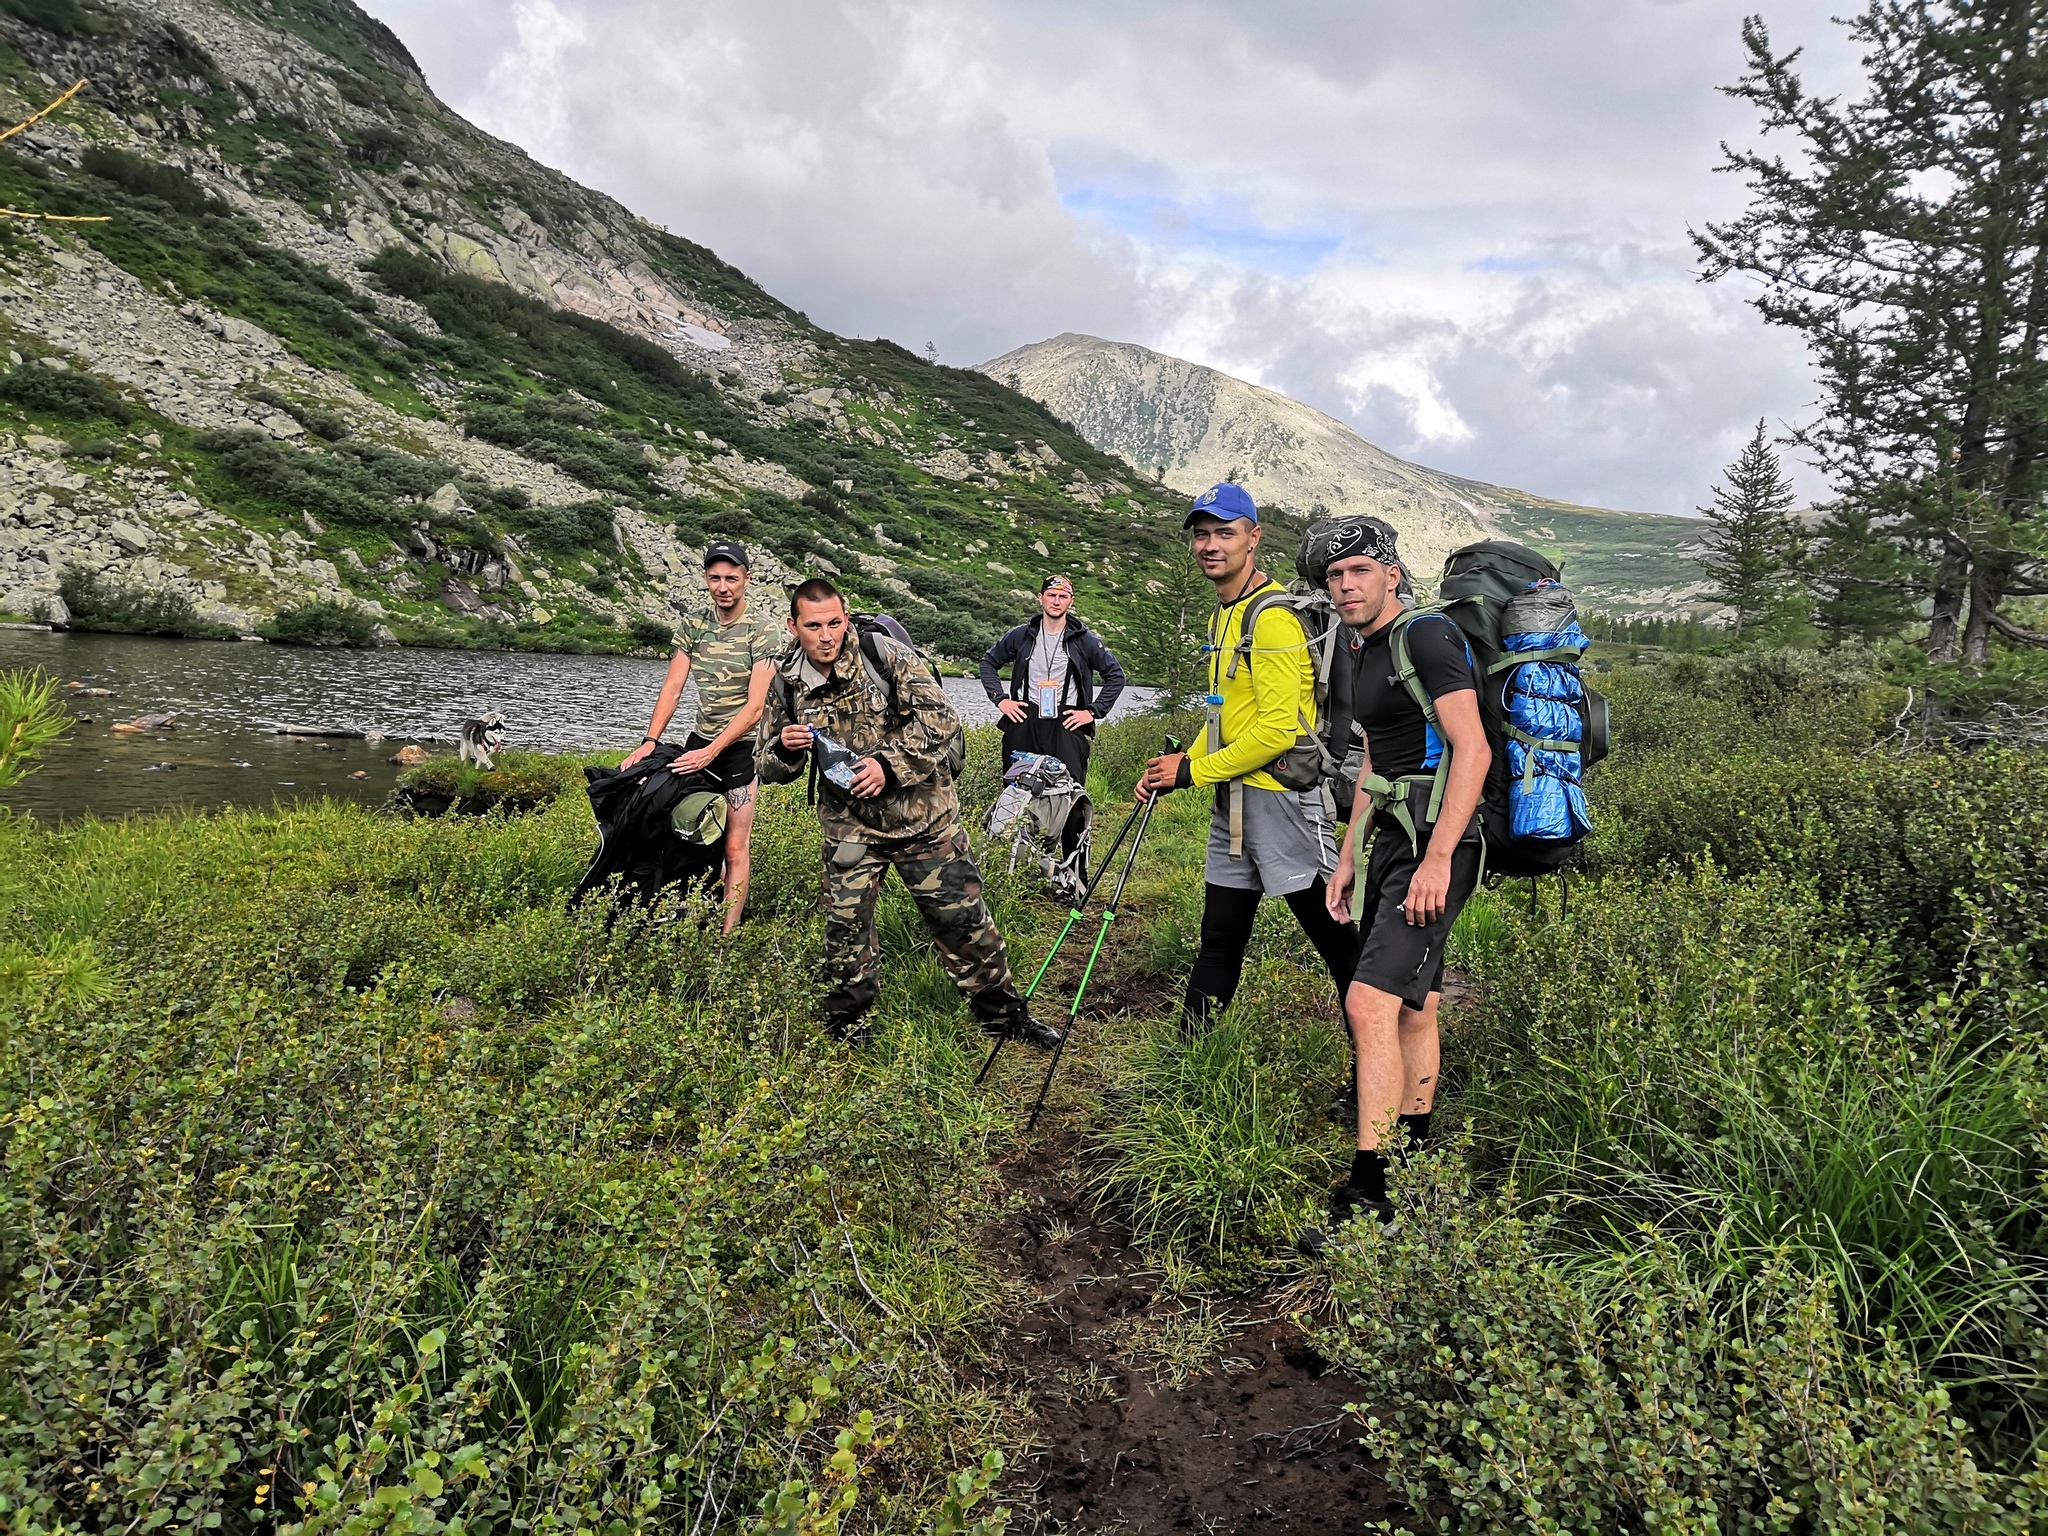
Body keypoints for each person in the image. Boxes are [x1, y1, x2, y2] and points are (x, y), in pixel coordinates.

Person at [760, 577, 1062, 1050]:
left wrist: (887, 766)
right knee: (844, 937)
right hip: (850, 828)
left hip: (924, 819)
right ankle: (848, 1030)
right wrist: (786, 748)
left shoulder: (885, 655)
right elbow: (766, 764)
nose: (826, 636)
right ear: (793, 625)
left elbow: (942, 721)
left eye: (834, 623)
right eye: (813, 626)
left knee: (963, 924)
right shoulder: (786, 678)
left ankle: (1003, 1018)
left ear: (845, 617)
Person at [1311, 518, 1491, 1240]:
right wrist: (1349, 855)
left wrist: (1441, 859)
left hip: (1435, 841)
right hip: (1389, 837)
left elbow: (1471, 751)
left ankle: (1370, 1197)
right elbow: (1376, 762)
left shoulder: (1425, 637)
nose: (1347, 585)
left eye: (1359, 570)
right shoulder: (1362, 651)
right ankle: (1415, 1150)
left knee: (1367, 1004)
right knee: (1415, 1006)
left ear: (1391, 573)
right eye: (1334, 576)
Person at [1135, 483, 1360, 1035]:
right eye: (1203, 535)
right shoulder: (1224, 616)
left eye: (1225, 533)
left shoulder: (1272, 619)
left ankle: (1378, 1074)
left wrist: (1193, 771)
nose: (1211, 545)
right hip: (1233, 800)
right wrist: (1179, 764)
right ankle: (1186, 1062)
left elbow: (1279, 730)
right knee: (1220, 938)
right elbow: (1225, 716)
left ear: (1253, 538)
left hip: (1285, 804)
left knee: (1337, 946)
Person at [620, 541, 783, 934]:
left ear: (747, 578)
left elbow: (755, 707)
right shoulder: (693, 624)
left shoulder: (763, 630)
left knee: (734, 846)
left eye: (731, 578)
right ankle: (688, 918)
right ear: (706, 579)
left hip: (742, 749)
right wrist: (650, 741)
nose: (723, 586)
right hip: (700, 741)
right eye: (715, 578)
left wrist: (712, 752)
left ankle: (726, 937)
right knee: (688, 834)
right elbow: (673, 686)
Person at [979, 575, 1128, 783]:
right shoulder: (1021, 635)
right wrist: (1001, 699)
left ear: (1071, 601)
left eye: (1062, 596)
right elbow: (988, 663)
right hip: (1025, 718)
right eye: (1051, 595)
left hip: (1066, 722)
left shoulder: (1085, 640)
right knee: (1016, 788)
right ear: (1041, 598)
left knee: (1068, 790)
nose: (1056, 601)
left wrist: (1093, 712)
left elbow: (1116, 676)